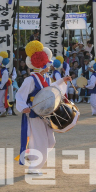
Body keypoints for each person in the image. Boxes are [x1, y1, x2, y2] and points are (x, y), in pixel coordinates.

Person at [15, 40, 72, 175]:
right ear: (42, 65)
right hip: (34, 114)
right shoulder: (30, 80)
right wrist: (24, 107)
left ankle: (32, 156)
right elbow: (20, 95)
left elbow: (52, 90)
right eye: (47, 64)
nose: (49, 67)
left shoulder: (46, 78)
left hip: (46, 113)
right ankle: (34, 167)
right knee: (40, 140)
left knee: (50, 141)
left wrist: (62, 81)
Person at [0, 51, 11, 117]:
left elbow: (4, 80)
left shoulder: (5, 71)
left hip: (3, 87)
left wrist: (0, 86)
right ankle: (3, 111)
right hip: (1, 87)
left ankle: (3, 111)